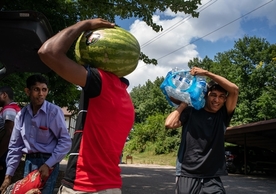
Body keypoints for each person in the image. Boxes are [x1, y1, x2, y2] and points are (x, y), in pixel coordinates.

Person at [38, 18, 135, 194]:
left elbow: (48, 52)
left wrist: (85, 24)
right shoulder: (124, 97)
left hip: (84, 186)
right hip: (111, 186)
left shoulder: (103, 83)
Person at [165, 67, 239, 194]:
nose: (217, 100)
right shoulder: (192, 111)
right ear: (205, 95)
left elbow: (234, 90)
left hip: (212, 175)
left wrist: (207, 73)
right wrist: (184, 103)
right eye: (213, 95)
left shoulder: (223, 115)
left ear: (225, 99)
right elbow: (169, 124)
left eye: (221, 96)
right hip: (187, 173)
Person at [0, 74, 72, 194]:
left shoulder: (54, 112)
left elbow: (65, 142)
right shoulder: (21, 115)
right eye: (36, 89)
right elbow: (15, 147)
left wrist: (48, 164)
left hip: (48, 162)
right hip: (29, 162)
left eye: (44, 90)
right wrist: (8, 175)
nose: (41, 94)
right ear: (27, 91)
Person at [0, 86, 21, 186]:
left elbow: (9, 134)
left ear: (4, 95)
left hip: (4, 153)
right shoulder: (13, 108)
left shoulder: (9, 110)